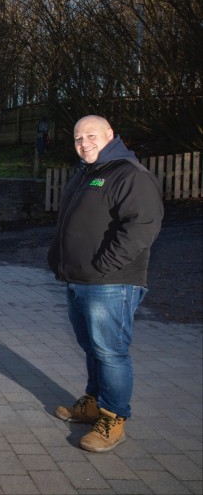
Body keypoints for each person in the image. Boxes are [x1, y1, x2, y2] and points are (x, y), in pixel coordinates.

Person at [48, 115, 163, 452]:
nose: (84, 143)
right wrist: (58, 258)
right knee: (91, 347)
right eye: (78, 138)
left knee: (110, 352)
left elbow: (142, 225)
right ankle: (95, 402)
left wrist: (105, 265)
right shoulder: (86, 173)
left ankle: (114, 418)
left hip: (111, 282)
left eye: (91, 135)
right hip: (79, 279)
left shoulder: (128, 174)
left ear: (110, 134)